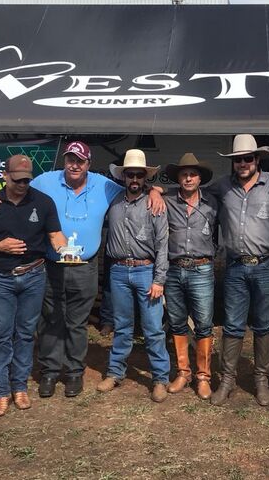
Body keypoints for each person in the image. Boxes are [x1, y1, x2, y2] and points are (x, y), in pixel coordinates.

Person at [26, 141, 164, 398]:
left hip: (85, 267)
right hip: (52, 265)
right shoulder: (46, 181)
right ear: (64, 161)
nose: (74, 165)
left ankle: (75, 373)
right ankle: (49, 372)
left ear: (89, 164)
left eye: (80, 160)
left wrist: (155, 191)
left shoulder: (104, 186)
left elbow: (137, 187)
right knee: (50, 320)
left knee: (77, 323)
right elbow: (18, 190)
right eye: (70, 159)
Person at [0, 155, 66, 416]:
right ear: (5, 176)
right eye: (18, 180)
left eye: (27, 180)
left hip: (34, 275)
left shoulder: (43, 202)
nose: (23, 184)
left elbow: (55, 234)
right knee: (0, 335)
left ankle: (19, 387)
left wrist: (65, 246)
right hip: (1, 278)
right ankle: (1, 392)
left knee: (25, 333)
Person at [208, 134, 269, 407]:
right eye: (238, 159)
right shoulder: (222, 186)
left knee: (264, 324)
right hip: (235, 266)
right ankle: (227, 380)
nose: (242, 163)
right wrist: (158, 191)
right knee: (232, 324)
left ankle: (261, 381)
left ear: (257, 160)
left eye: (247, 159)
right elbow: (191, 190)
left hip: (266, 264)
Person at [96, 150, 170, 402]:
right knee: (122, 326)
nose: (135, 179)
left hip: (145, 270)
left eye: (140, 175)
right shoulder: (113, 201)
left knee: (153, 328)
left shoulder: (154, 203)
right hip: (118, 270)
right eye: (131, 174)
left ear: (145, 177)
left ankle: (160, 378)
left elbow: (163, 243)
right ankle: (115, 372)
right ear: (124, 177)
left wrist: (159, 279)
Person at [162, 153, 218, 400]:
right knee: (176, 322)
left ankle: (203, 377)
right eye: (183, 174)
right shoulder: (166, 200)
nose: (188, 178)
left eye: (192, 174)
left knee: (204, 323)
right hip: (174, 268)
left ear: (200, 178)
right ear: (178, 177)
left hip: (202, 268)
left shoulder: (213, 203)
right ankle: (183, 372)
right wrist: (154, 190)